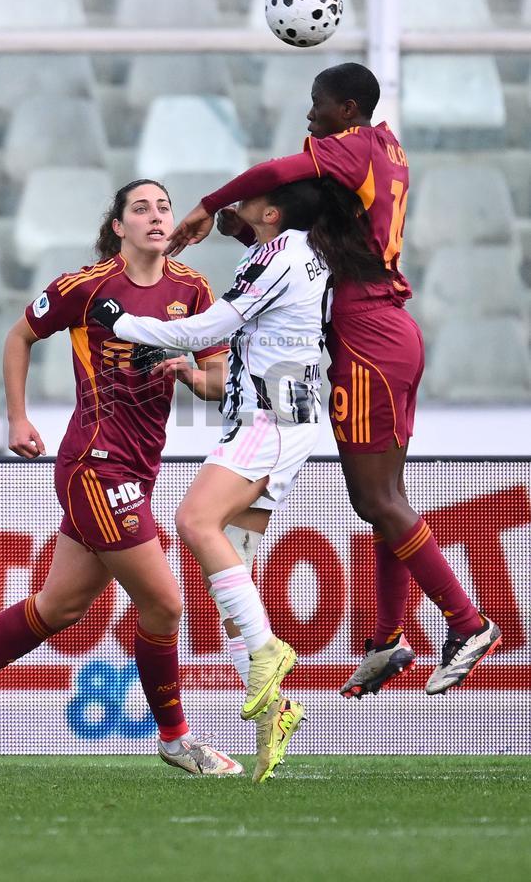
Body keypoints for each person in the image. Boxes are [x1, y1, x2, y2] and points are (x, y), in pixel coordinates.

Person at [162, 62, 502, 698]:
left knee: (375, 499)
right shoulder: (379, 157)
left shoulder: (353, 151)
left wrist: (209, 204)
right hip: (392, 332)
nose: (309, 117)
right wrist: (241, 223)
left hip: (368, 340)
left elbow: (273, 176)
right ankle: (386, 637)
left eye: (318, 106)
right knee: (385, 500)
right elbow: (293, 221)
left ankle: (467, 620)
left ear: (348, 109)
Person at [0, 178, 243, 777]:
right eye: (141, 208)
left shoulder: (193, 291)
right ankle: (175, 738)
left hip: (139, 467)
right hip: (94, 461)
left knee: (61, 605)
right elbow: (19, 336)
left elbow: (219, 383)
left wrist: (189, 372)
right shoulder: (87, 286)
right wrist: (17, 416)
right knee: (165, 604)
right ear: (119, 226)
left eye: (164, 207)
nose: (157, 216)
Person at [90, 175, 389, 781]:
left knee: (193, 520)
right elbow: (242, 355)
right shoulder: (300, 252)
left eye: (247, 201)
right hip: (282, 415)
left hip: (271, 421)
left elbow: (205, 332)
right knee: (236, 574)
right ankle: (273, 721)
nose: (233, 204)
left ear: (272, 213)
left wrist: (120, 323)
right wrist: (192, 376)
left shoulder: (278, 255)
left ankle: (267, 654)